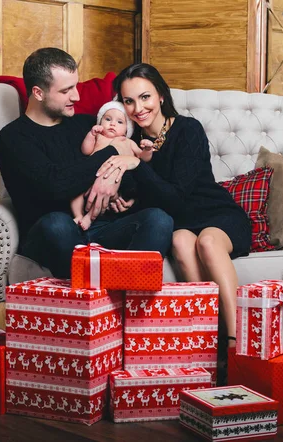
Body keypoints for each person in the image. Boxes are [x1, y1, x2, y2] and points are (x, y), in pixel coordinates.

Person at [100, 63, 252, 357]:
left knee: (207, 242)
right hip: (181, 223)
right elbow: (145, 196)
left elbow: (177, 196)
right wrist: (125, 199)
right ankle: (208, 340)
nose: (137, 108)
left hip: (215, 213)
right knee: (180, 241)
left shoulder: (187, 129)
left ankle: (236, 343)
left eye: (144, 97)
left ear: (160, 95)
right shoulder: (130, 144)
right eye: (129, 101)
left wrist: (137, 167)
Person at [0, 49, 174, 279]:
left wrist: (125, 193)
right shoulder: (13, 138)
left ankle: (125, 293)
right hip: (53, 234)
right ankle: (104, 288)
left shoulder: (85, 124)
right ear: (38, 93)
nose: (76, 97)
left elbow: (128, 165)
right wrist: (112, 151)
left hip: (101, 227)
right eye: (66, 90)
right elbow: (54, 186)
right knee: (57, 223)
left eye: (76, 86)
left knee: (158, 219)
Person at [73, 101, 153, 230]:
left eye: (120, 122)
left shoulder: (127, 141)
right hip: (92, 173)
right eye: (108, 119)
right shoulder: (99, 136)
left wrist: (147, 150)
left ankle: (89, 217)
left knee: (105, 196)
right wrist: (91, 135)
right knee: (75, 192)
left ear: (127, 129)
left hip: (113, 178)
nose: (112, 124)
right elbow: (86, 150)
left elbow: (142, 158)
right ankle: (78, 215)